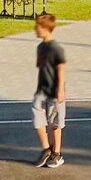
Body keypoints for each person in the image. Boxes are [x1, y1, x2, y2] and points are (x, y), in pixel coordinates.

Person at [30, 11, 67, 168]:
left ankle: (57, 153)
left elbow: (60, 69)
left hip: (54, 90)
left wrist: (60, 89)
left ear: (46, 28)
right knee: (37, 118)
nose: (35, 29)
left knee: (54, 123)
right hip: (42, 90)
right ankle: (46, 148)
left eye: (38, 26)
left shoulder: (56, 48)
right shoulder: (40, 47)